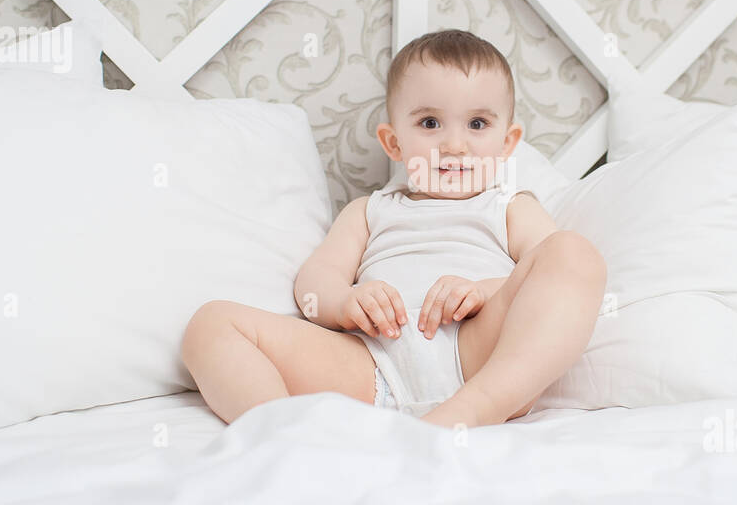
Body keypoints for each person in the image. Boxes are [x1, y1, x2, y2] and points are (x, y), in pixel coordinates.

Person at [180, 29, 606, 428]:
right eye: (430, 123)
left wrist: (484, 291)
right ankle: (283, 434)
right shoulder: (369, 211)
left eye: (477, 124)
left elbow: (547, 279)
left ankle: (472, 411)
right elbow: (314, 283)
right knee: (211, 324)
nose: (454, 144)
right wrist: (345, 301)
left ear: (507, 143)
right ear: (394, 142)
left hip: (480, 357)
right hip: (373, 362)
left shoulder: (511, 208)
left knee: (573, 253)